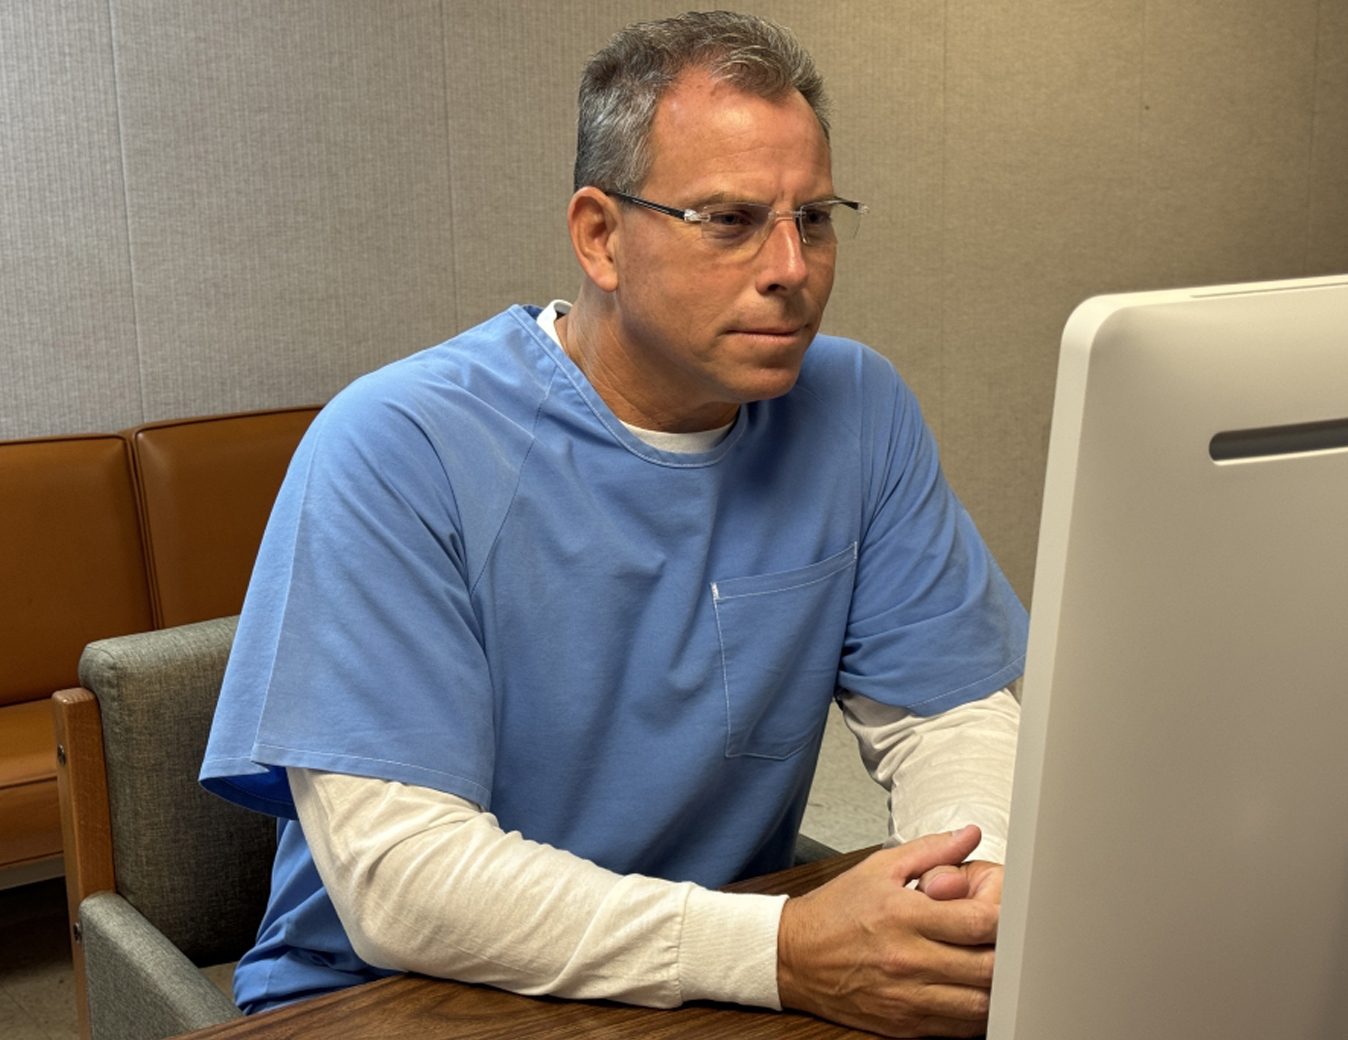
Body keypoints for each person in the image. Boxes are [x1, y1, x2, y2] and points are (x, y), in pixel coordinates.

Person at [202, 11, 1027, 1038]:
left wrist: (972, 885)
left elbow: (946, 711)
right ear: (600, 236)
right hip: (393, 994)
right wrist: (775, 949)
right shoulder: (397, 443)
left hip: (712, 972)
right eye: (729, 220)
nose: (791, 266)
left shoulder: (855, 406)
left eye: (812, 218)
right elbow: (401, 878)